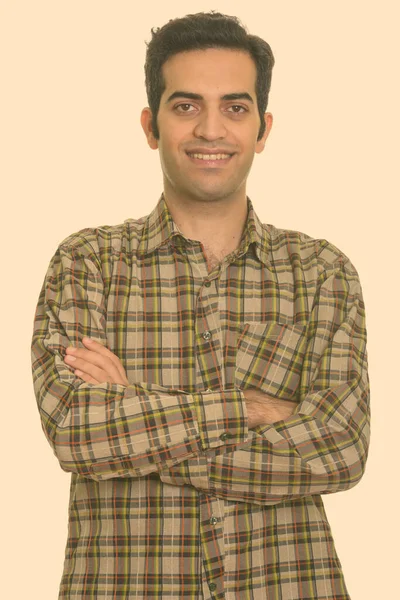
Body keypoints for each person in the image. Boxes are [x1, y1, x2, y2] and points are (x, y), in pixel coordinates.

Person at [31, 11, 370, 600]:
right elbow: (77, 431)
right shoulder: (86, 262)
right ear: (151, 125)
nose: (210, 128)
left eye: (235, 108)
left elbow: (339, 448)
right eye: (186, 106)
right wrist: (255, 409)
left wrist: (135, 416)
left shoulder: (321, 271)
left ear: (263, 129)